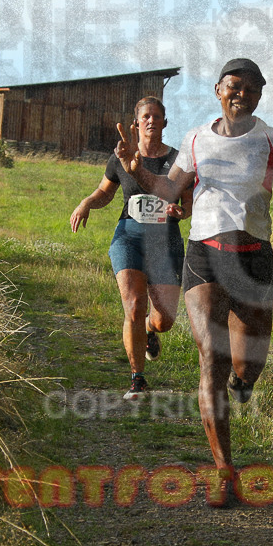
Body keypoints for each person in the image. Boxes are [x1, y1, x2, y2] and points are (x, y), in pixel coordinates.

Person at [114, 58, 273, 499]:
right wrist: (136, 169)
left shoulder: (272, 139)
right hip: (204, 257)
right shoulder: (195, 139)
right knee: (209, 359)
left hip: (254, 260)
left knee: (247, 366)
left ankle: (243, 381)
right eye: (234, 86)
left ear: (259, 96)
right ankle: (224, 472)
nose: (242, 94)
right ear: (218, 90)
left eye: (251, 89)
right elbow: (167, 192)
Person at [70, 97, 192, 400]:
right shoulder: (121, 155)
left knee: (164, 320)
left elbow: (188, 201)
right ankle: (137, 378)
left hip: (166, 242)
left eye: (157, 116)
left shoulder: (178, 160)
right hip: (129, 236)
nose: (151, 121)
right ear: (136, 123)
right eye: (145, 116)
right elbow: (104, 192)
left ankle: (151, 332)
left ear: (165, 122)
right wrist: (86, 203)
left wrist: (183, 212)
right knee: (135, 306)